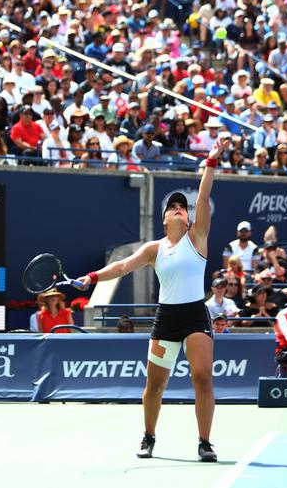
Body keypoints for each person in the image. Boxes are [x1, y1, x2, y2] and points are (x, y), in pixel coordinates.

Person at [76, 138, 231, 462]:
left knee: (202, 377)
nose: (179, 208)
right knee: (154, 386)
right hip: (166, 320)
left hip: (194, 316)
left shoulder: (197, 236)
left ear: (188, 219)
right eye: (173, 206)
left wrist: (212, 161)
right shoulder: (153, 249)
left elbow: (202, 196)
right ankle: (149, 436)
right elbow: (121, 266)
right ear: (164, 219)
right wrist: (91, 278)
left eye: (182, 207)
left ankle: (205, 442)